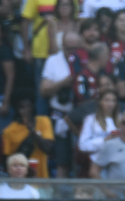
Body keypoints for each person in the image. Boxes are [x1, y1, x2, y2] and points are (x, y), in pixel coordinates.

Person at [40, 31, 82, 178]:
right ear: (62, 45)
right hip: (60, 114)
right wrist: (63, 83)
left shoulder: (84, 59)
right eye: (68, 48)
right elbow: (44, 90)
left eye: (75, 48)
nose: (72, 52)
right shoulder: (53, 60)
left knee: (79, 158)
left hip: (79, 115)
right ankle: (60, 196)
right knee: (61, 159)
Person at [2, 90, 55, 178]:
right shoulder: (9, 131)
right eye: (21, 107)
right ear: (16, 109)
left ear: (33, 107)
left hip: (42, 181)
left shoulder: (44, 121)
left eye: (27, 107)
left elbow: (49, 148)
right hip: (21, 182)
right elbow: (7, 162)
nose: (24, 111)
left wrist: (32, 130)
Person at [78, 89, 119, 161]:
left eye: (113, 101)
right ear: (100, 102)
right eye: (107, 100)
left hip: (116, 161)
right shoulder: (91, 120)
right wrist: (104, 140)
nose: (110, 104)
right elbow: (82, 145)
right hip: (96, 160)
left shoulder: (122, 120)